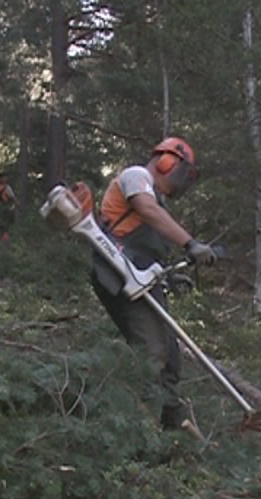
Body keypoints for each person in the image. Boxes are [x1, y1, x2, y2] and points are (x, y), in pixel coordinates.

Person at [90, 137, 217, 430]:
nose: (182, 181)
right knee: (152, 351)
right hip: (118, 275)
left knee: (170, 353)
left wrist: (169, 274)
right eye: (182, 172)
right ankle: (138, 431)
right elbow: (146, 211)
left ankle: (172, 424)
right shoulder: (137, 177)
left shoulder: (157, 201)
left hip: (139, 277)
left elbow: (147, 248)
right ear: (167, 161)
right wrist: (190, 243)